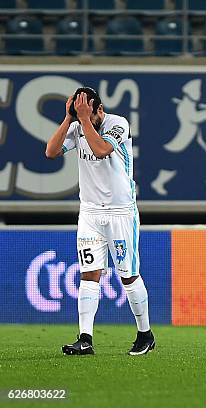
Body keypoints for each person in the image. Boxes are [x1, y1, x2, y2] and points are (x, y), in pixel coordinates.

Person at [46, 87, 155, 356]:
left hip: (120, 211)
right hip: (90, 212)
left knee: (127, 275)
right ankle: (85, 338)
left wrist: (83, 120)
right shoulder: (78, 125)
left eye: (90, 114)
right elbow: (51, 152)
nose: (87, 119)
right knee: (89, 274)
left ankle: (145, 334)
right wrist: (68, 119)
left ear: (100, 110)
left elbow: (102, 149)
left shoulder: (117, 124)